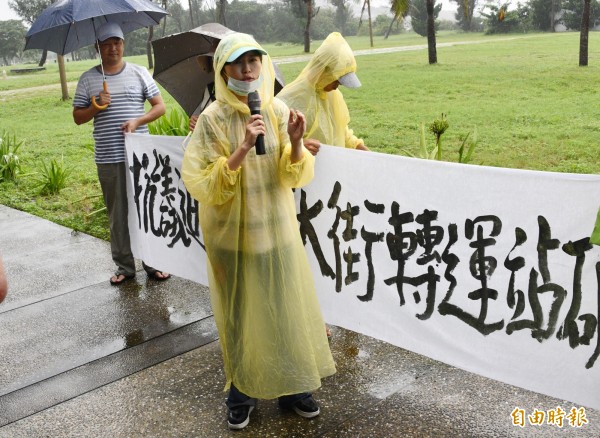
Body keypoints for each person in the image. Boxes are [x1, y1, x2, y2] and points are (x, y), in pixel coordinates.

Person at [181, 32, 336, 430]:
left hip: (277, 231)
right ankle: (241, 392)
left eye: (254, 62)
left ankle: (293, 387)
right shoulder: (212, 119)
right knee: (240, 315)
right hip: (233, 238)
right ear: (223, 70)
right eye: (238, 63)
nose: (248, 71)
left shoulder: (279, 112)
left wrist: (297, 143)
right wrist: (242, 147)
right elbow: (201, 182)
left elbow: (292, 174)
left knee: (284, 308)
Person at [73, 22, 170, 285]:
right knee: (118, 214)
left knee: (147, 209)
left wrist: (138, 122)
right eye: (106, 43)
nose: (113, 48)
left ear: (123, 44)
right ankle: (125, 267)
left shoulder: (139, 73)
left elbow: (159, 107)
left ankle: (154, 263)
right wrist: (96, 106)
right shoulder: (89, 79)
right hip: (109, 156)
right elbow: (77, 117)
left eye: (117, 42)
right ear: (98, 48)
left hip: (141, 156)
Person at [277, 32, 369, 156]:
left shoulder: (333, 95)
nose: (338, 86)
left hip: (332, 168)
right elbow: (276, 145)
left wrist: (361, 148)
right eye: (336, 80)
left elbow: (342, 131)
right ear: (323, 72)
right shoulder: (287, 100)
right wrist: (299, 145)